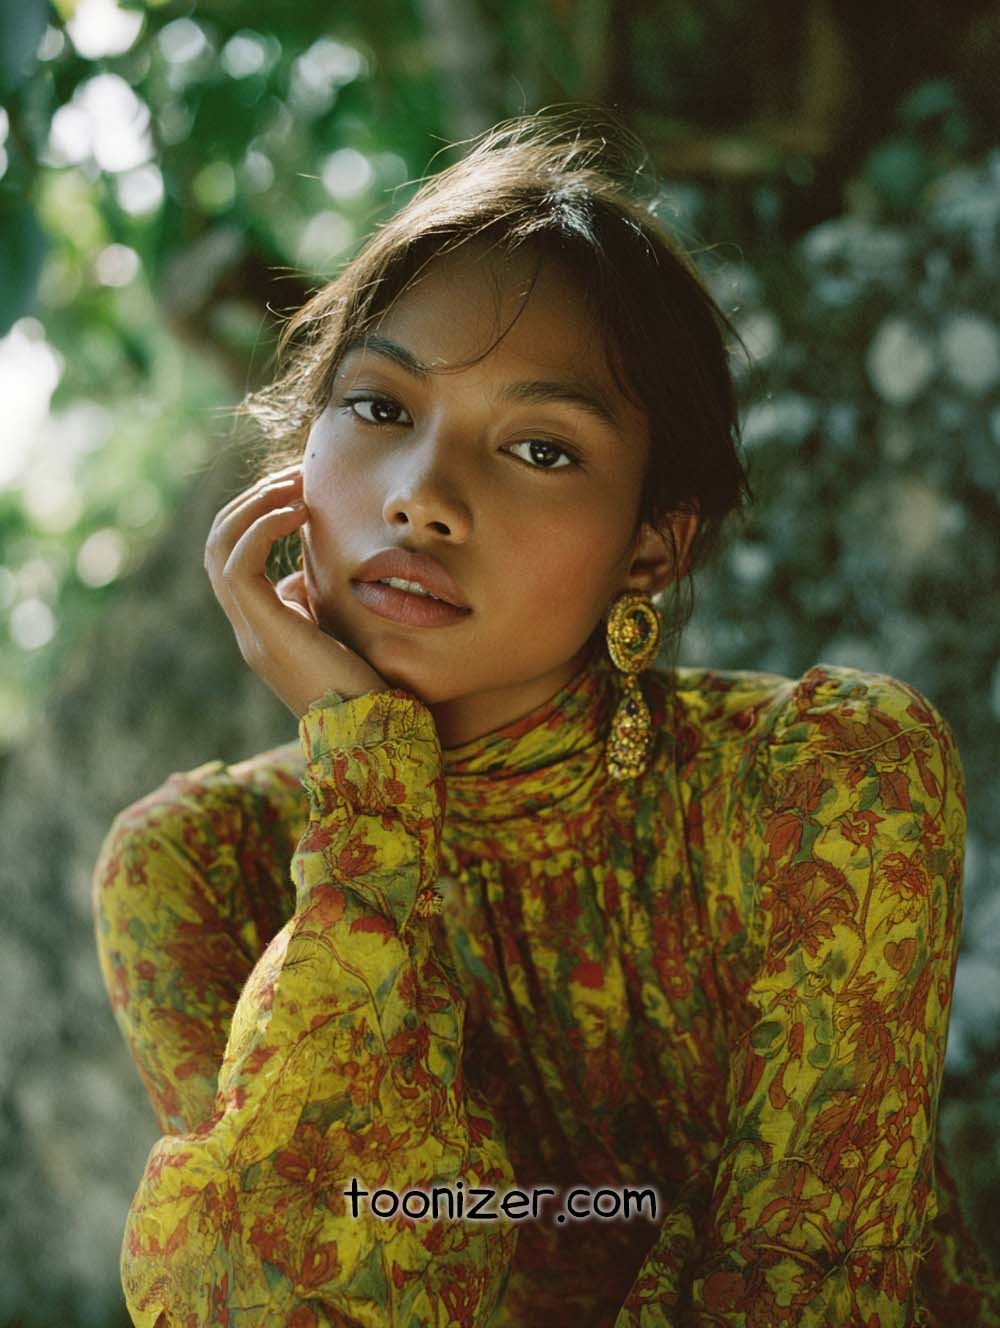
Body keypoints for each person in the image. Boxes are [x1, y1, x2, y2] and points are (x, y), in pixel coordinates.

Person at [92, 110, 1000, 1327]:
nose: (421, 497)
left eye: (539, 445)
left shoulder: (826, 784)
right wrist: (370, 805)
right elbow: (275, 1293)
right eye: (376, 407)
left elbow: (805, 1292)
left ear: (651, 549)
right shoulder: (197, 868)